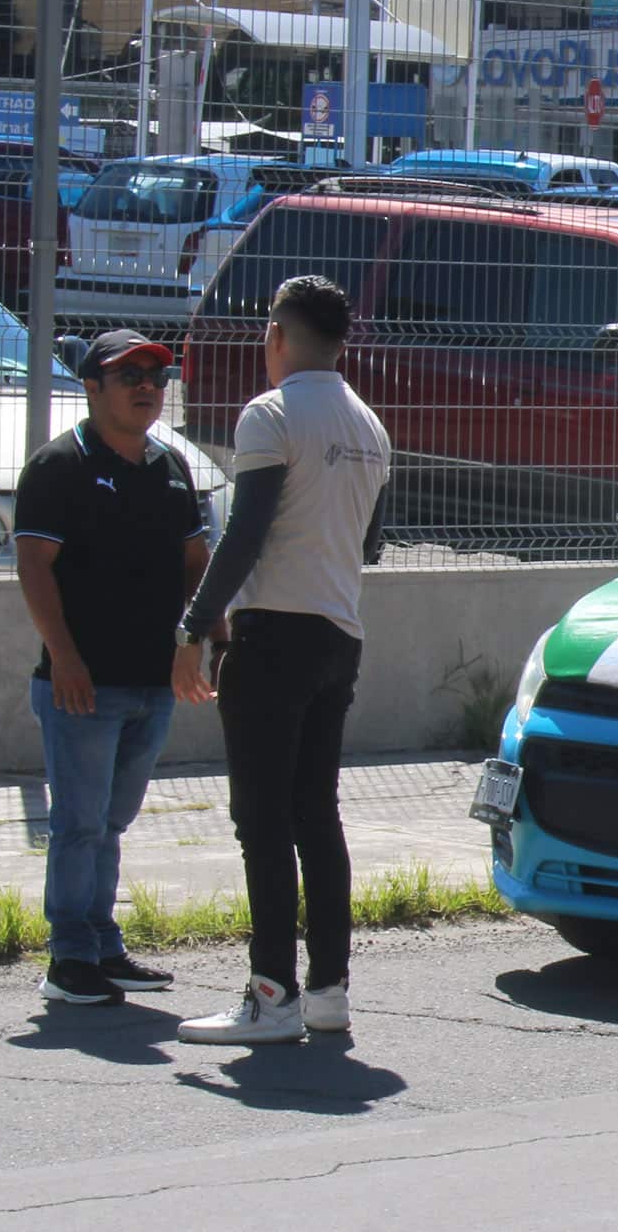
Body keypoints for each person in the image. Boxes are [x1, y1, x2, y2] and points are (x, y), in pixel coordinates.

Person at [172, 276, 392, 1047]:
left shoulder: (270, 414)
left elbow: (245, 533)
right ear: (341, 343)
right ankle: (327, 989)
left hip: (273, 638)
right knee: (316, 816)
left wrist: (195, 626)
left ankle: (272, 996)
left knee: (261, 823)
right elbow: (369, 542)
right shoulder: (370, 426)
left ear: (278, 335)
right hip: (340, 635)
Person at [12, 331, 216, 1007]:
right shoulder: (58, 465)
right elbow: (34, 568)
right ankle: (69, 956)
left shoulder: (169, 465)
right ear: (91, 386)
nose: (146, 386)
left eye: (156, 374)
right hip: (81, 684)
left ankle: (102, 943)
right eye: (128, 373)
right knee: (78, 822)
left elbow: (195, 565)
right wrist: (65, 657)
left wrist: (211, 636)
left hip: (153, 683)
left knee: (112, 820)